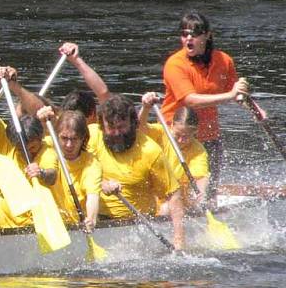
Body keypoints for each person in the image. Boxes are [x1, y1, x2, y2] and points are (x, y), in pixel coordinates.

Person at [161, 10, 249, 191]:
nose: (188, 39)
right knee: (176, 190)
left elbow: (236, 93)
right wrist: (230, 95)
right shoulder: (174, 63)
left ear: (207, 36)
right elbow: (190, 100)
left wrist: (253, 106)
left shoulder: (224, 60)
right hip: (177, 136)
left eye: (194, 34)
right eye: (184, 34)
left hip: (209, 136)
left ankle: (209, 212)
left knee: (208, 191)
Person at [88, 93, 185, 250]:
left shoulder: (150, 151)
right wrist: (101, 183)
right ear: (102, 126)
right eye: (111, 128)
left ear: (134, 123)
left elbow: (174, 194)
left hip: (135, 223)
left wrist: (179, 241)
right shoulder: (91, 136)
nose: (117, 133)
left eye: (122, 127)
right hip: (94, 217)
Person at [0, 66, 58, 228]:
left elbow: (52, 175)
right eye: (22, 149)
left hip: (41, 223)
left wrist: (15, 86)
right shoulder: (8, 140)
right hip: (5, 224)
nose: (27, 152)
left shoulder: (50, 143)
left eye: (32, 148)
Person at [139, 92, 210, 214]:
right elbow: (139, 128)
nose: (181, 141)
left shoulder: (198, 150)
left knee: (167, 208)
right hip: (153, 197)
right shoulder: (161, 132)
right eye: (177, 135)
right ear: (171, 125)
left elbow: (201, 177)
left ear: (196, 132)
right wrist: (145, 108)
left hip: (178, 201)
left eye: (187, 136)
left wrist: (201, 193)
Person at [38, 107, 101, 229]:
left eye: (74, 139)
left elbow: (93, 196)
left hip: (77, 224)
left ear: (83, 138)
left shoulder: (92, 163)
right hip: (50, 223)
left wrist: (91, 219)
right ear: (56, 136)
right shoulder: (47, 146)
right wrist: (42, 120)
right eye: (64, 138)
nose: (69, 145)